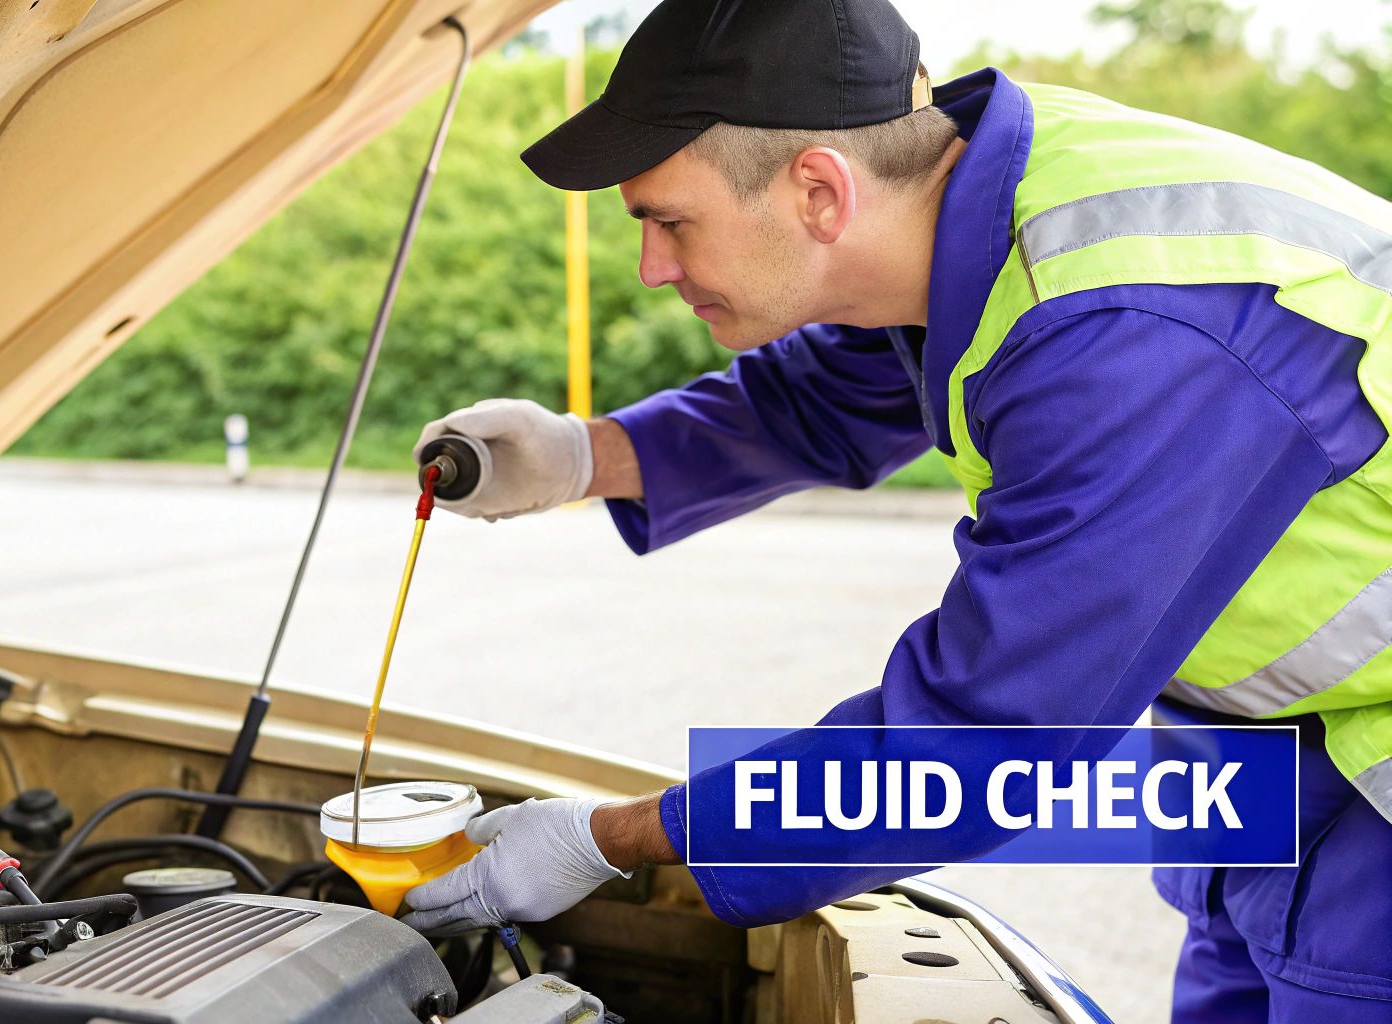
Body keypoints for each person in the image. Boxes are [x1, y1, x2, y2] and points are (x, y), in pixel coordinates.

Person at [393, 0, 1392, 1019]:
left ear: (819, 190)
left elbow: (977, 738)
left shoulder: (1127, 331)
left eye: (665, 220)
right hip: (1269, 757)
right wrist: (580, 456)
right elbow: (829, 390)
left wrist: (607, 838)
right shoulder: (971, 199)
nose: (651, 266)